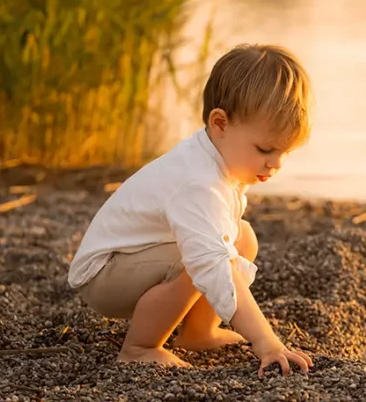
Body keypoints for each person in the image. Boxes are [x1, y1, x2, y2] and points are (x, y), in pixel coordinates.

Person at [67, 44, 314, 376]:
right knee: (199, 257)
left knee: (242, 238)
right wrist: (267, 342)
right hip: (104, 275)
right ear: (220, 123)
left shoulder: (218, 159)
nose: (277, 163)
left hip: (136, 259)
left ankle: (198, 333)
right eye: (266, 149)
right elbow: (212, 264)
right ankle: (140, 348)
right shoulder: (199, 182)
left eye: (285, 152)